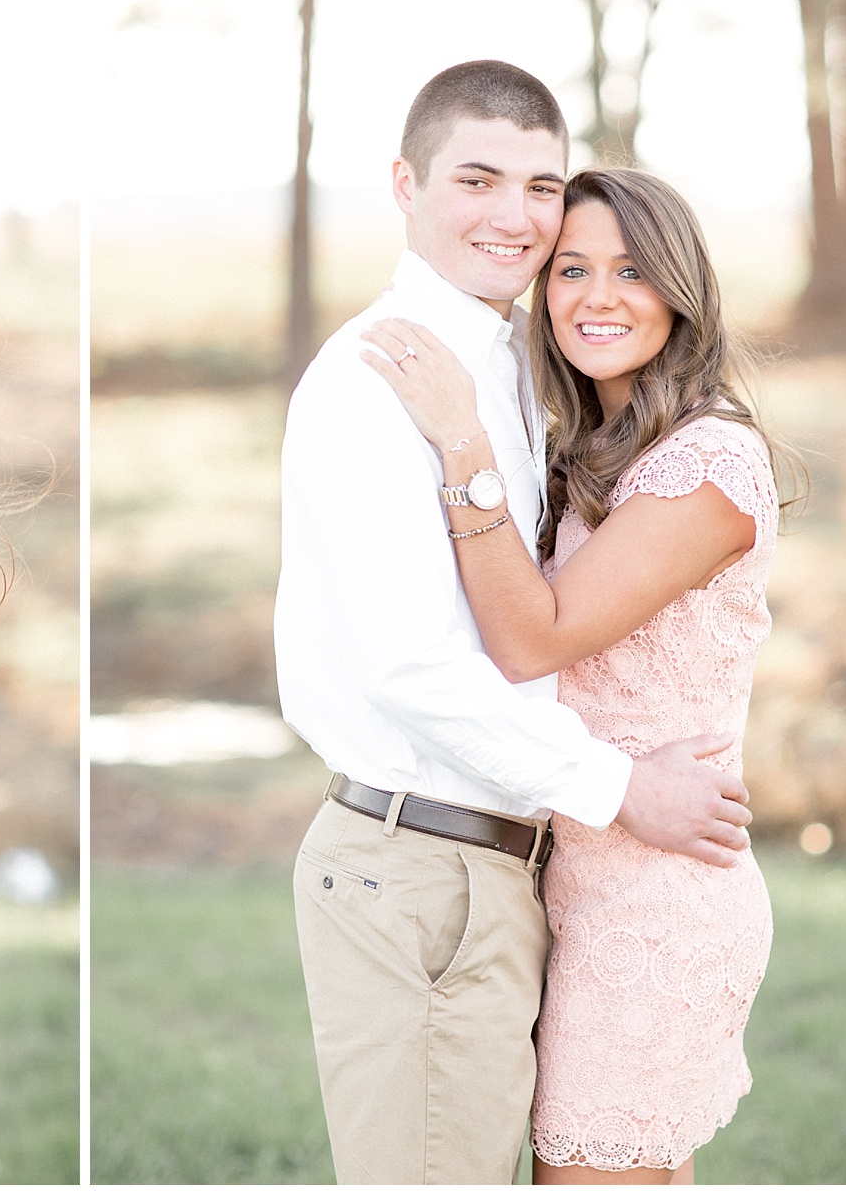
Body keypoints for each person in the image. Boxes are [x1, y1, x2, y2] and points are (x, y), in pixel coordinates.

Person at [273, 60, 753, 1185]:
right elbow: (407, 667)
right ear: (405, 183)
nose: (516, 217)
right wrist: (622, 786)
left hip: (509, 867)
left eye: (542, 187)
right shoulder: (378, 377)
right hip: (423, 861)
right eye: (477, 179)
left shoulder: (509, 369)